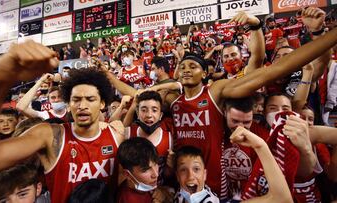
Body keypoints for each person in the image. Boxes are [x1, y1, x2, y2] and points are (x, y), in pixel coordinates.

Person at [106, 12, 337, 198]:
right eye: (183, 66)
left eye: (193, 66)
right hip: (183, 181)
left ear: (205, 72)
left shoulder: (216, 91)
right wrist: (108, 76)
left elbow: (275, 70)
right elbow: (138, 95)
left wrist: (324, 34)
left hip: (217, 181)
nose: (186, 69)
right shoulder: (172, 100)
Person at [0, 41, 124, 203]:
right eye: (76, 100)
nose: (82, 106)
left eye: (90, 99)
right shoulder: (50, 135)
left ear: (102, 103)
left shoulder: (116, 135)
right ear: (68, 104)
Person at [123, 91, 173, 184]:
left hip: (158, 194)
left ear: (161, 115)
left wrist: (170, 167)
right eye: (144, 110)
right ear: (137, 113)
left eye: (154, 110)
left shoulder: (169, 139)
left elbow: (168, 176)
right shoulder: (127, 134)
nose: (149, 115)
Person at [117, 137, 171, 203]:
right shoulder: (127, 199)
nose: (156, 174)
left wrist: (164, 196)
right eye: (145, 170)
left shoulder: (146, 185)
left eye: (156, 164)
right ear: (127, 174)